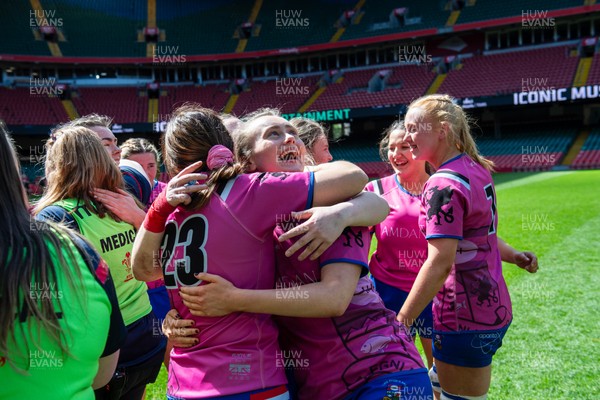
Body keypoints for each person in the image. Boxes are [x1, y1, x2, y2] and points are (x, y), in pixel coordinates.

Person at [161, 109, 433, 400]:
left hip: (378, 370)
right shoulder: (240, 220)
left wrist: (343, 213)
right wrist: (174, 320)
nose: (290, 138)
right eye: (273, 134)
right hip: (311, 384)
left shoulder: (329, 208)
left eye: (292, 133)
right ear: (246, 160)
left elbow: (334, 297)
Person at [131, 105, 368, 399]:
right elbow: (354, 177)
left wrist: (156, 210)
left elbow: (142, 270)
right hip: (252, 380)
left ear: (172, 160)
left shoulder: (169, 210)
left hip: (185, 383)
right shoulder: (250, 190)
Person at [397, 94, 538, 400]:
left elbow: (439, 263)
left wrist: (402, 322)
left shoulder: (442, 184)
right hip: (494, 311)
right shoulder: (474, 167)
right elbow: (478, 237)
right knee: (439, 382)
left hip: (463, 318)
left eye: (413, 128)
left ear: (442, 130)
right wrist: (514, 256)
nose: (407, 137)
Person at [34, 127, 166, 400]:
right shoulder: (123, 201)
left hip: (105, 351)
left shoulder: (56, 215)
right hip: (146, 342)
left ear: (56, 164)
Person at [0, 123, 126, 399]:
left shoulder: (54, 217)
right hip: (135, 342)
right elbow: (103, 371)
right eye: (108, 144)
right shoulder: (82, 243)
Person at [365, 120, 435, 369]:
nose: (396, 155)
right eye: (391, 148)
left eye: (404, 147)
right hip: (387, 293)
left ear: (419, 149)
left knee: (437, 369)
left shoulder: (441, 187)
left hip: (432, 291)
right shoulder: (375, 190)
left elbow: (470, 235)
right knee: (392, 367)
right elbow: (358, 247)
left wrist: (513, 255)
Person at [50, 114, 152, 228]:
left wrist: (138, 217)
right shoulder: (57, 214)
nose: (118, 150)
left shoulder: (131, 183)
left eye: (115, 142)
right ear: (79, 154)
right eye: (106, 144)